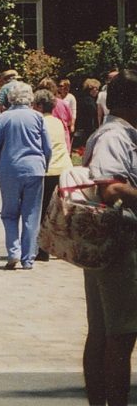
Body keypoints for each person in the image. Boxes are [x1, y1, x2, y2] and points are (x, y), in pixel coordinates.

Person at [81, 69, 137, 406]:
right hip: (119, 244)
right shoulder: (115, 136)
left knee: (105, 333)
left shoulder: (114, 133)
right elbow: (111, 188)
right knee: (120, 334)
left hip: (110, 243)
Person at [0, 82, 51, 270]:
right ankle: (28, 258)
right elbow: (47, 147)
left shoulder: (3, 118)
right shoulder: (38, 117)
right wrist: (45, 165)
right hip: (34, 168)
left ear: (10, 98)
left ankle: (13, 252)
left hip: (9, 169)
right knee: (32, 214)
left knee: (9, 213)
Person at [33, 88, 74, 263]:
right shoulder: (58, 122)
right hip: (63, 167)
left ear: (39, 106)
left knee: (42, 210)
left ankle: (42, 249)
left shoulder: (39, 122)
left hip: (48, 169)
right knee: (58, 210)